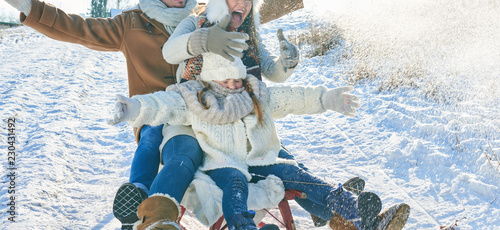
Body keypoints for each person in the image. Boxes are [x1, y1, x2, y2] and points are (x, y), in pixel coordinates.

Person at [0, 0, 332, 229]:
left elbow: (251, 7)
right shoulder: (131, 24)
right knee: (161, 145)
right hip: (159, 109)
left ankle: (328, 204)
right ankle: (143, 202)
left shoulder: (204, 13)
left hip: (211, 108)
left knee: (274, 151)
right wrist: (30, 8)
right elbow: (80, 28)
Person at [110, 51, 406, 230]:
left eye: (236, 79)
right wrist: (134, 108)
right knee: (235, 188)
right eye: (225, 81)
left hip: (261, 158)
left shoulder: (254, 94)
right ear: (211, 79)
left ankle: (360, 216)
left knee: (298, 175)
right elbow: (163, 105)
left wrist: (326, 99)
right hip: (223, 163)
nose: (233, 86)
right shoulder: (195, 99)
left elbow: (291, 98)